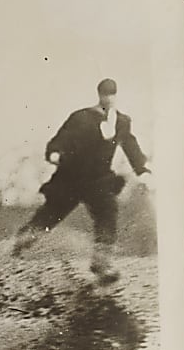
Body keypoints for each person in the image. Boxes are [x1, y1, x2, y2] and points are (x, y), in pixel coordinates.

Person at [12, 79, 151, 283]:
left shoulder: (121, 121)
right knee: (49, 217)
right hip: (71, 179)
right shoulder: (81, 117)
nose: (108, 98)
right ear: (99, 94)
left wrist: (142, 170)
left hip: (99, 181)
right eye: (105, 94)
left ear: (116, 96)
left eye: (112, 94)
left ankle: (101, 263)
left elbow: (130, 144)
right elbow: (59, 140)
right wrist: (55, 153)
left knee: (108, 214)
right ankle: (17, 250)